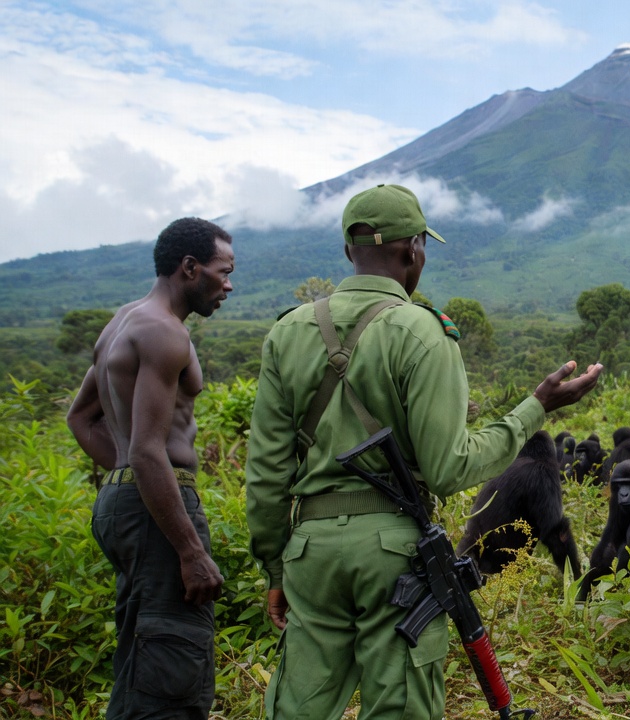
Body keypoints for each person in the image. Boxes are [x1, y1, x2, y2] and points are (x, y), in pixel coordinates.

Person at [245, 183, 602, 720]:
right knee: (400, 707)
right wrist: (536, 407)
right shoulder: (423, 331)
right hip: (393, 553)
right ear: (413, 250)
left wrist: (275, 570)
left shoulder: (288, 333)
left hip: (309, 551)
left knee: (298, 707)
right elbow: (448, 466)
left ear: (349, 251)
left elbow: (267, 471)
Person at [66, 217, 234, 719]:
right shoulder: (165, 334)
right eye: (222, 272)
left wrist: (126, 479)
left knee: (143, 649)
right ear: (189, 268)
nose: (228, 284)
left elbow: (81, 418)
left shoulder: (123, 321)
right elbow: (146, 449)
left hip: (124, 503)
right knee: (172, 661)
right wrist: (189, 549)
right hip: (157, 506)